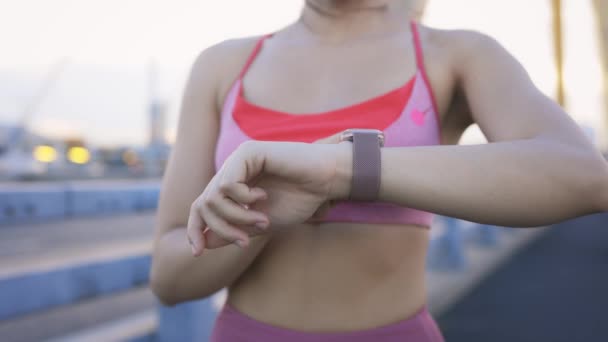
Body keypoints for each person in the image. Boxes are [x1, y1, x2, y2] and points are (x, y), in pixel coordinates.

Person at [150, 0, 608, 341]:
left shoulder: (456, 54)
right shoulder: (222, 64)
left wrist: (341, 170)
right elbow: (169, 278)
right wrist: (263, 211)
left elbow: (583, 176)